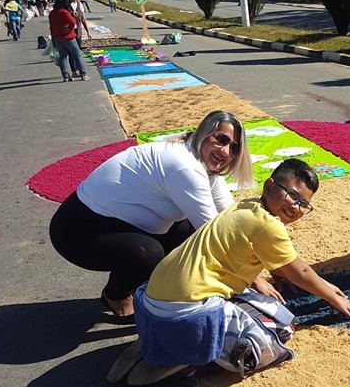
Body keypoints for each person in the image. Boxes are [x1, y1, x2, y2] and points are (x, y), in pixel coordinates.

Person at [108, 158, 350, 386]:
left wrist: (268, 276)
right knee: (281, 327)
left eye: (304, 204)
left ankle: (156, 345)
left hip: (152, 301)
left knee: (253, 300)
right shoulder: (268, 226)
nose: (296, 207)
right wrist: (333, 296)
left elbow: (262, 255)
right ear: (269, 186)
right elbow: (300, 272)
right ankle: (187, 359)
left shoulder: (247, 206)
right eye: (292, 195)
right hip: (184, 314)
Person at [49, 111, 255, 320]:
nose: (226, 151)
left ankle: (152, 285)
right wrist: (252, 281)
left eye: (235, 147)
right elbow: (214, 233)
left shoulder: (204, 164)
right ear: (204, 132)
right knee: (147, 254)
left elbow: (231, 218)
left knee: (187, 234)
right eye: (221, 139)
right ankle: (116, 295)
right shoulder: (185, 166)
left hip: (120, 222)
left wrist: (269, 257)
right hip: (78, 230)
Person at [49, 0, 87, 82]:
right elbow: (73, 22)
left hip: (57, 37)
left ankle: (66, 76)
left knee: (63, 57)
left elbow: (51, 27)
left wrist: (53, 38)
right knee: (77, 54)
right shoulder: (64, 12)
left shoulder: (52, 13)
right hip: (69, 37)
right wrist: (69, 29)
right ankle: (83, 74)